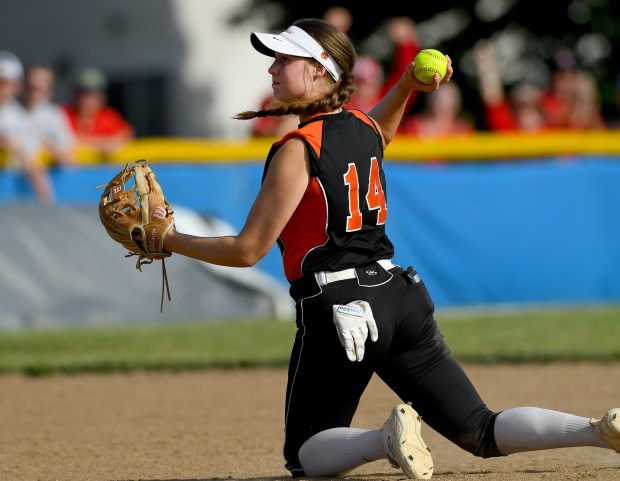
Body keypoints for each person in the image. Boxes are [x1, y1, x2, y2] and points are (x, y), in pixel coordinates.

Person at [160, 18, 620, 480]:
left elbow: (247, 250)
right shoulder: (364, 129)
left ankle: (383, 439)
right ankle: (596, 428)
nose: (273, 70)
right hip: (399, 297)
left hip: (340, 307)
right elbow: (381, 127)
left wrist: (166, 239)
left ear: (322, 71)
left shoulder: (298, 149)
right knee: (479, 428)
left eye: (285, 59)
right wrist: (407, 84)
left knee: (304, 454)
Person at [0, 50, 54, 204]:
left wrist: (45, 201)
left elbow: (33, 163)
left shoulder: (21, 119)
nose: (1, 87)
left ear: (16, 85)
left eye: (4, 82)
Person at [62, 67, 134, 157]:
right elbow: (63, 139)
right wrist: (100, 145)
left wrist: (109, 144)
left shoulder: (108, 116)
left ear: (102, 97)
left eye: (91, 95)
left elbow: (127, 133)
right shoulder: (64, 114)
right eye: (82, 93)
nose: (86, 99)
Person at [21, 63, 77, 167]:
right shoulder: (8, 111)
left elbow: (69, 157)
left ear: (50, 90)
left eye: (43, 80)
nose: (36, 82)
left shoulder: (54, 114)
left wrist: (47, 146)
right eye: (34, 78)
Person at [399, 81, 475, 137]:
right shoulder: (413, 125)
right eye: (439, 100)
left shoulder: (463, 130)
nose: (442, 108)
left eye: (449, 106)